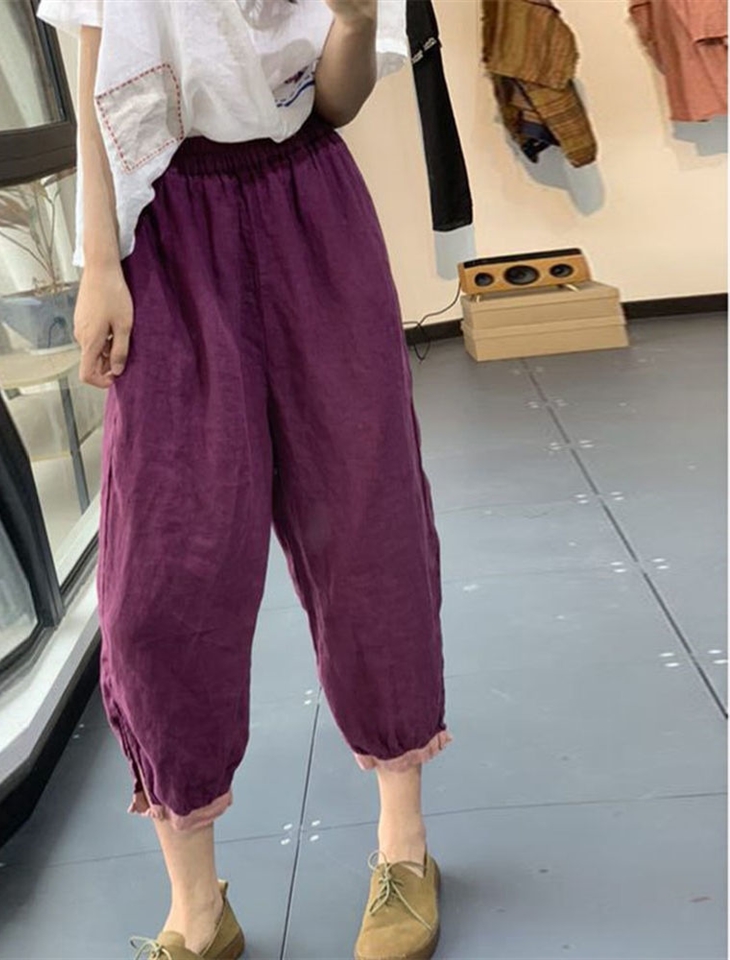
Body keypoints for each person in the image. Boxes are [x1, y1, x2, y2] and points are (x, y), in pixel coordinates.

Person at [36, 2, 451, 958]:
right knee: (159, 575)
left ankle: (405, 841)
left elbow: (335, 102)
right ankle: (197, 906)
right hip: (164, 223)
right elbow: (93, 85)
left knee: (368, 526)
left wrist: (355, 19)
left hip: (311, 201)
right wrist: (98, 264)